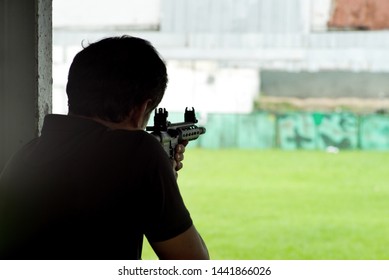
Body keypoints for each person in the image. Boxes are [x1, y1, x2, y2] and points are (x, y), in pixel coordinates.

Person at [0, 36, 209, 260]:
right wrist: (165, 177)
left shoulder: (24, 155)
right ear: (142, 109)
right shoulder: (140, 151)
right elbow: (193, 264)